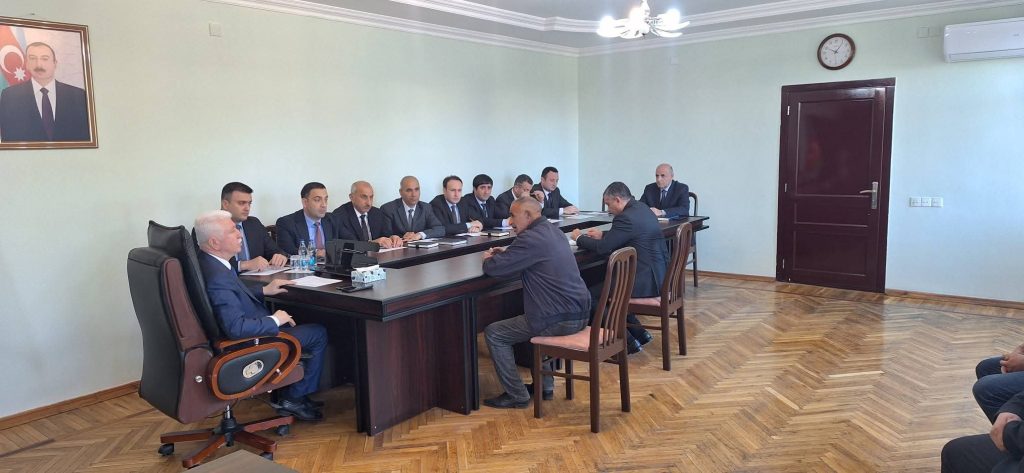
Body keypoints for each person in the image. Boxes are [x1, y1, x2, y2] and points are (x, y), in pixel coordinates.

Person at [194, 210, 327, 421]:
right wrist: (275, 320)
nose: (239, 234)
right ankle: (293, 397)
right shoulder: (217, 276)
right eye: (232, 231)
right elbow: (236, 328)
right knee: (318, 333)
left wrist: (264, 290)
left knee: (302, 324)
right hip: (249, 341)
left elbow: (233, 296)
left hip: (247, 330)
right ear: (214, 242)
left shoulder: (210, 263)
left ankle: (289, 390)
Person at [481, 197, 591, 408]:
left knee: (495, 333)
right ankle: (544, 386)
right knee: (529, 319)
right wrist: (509, 254)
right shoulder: (553, 231)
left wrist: (488, 258)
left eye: (513, 215)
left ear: (528, 216)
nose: (510, 221)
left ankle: (516, 395)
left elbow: (494, 269)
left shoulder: (530, 238)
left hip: (559, 319)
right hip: (580, 313)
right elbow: (531, 255)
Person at [571, 182, 664, 354]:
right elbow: (630, 234)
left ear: (618, 200)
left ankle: (627, 341)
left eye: (608, 204)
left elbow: (602, 248)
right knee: (608, 285)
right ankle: (640, 334)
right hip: (656, 275)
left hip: (642, 279)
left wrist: (578, 238)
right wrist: (604, 234)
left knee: (591, 296)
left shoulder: (625, 217)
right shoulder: (641, 208)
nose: (608, 210)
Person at [0, 42, 90, 142]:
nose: (39, 65)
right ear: (27, 64)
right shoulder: (10, 96)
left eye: (45, 59)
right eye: (33, 58)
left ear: (55, 63)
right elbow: (8, 138)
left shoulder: (78, 95)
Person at [219, 182, 288, 272]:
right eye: (241, 203)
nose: (247, 208)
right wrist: (243, 265)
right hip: (227, 279)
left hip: (257, 277)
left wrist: (280, 256)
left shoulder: (254, 224)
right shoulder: (211, 227)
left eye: (249, 203)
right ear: (225, 204)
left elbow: (275, 250)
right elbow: (208, 264)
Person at [332, 181, 403, 248]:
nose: (369, 203)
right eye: (364, 197)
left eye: (371, 197)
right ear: (352, 197)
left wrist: (392, 238)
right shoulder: (339, 216)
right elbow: (349, 244)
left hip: (379, 255)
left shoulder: (377, 213)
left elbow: (385, 234)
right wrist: (371, 244)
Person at [275, 182, 339, 255]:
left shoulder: (333, 220)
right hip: (305, 262)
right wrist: (314, 254)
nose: (324, 205)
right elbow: (287, 253)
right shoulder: (287, 223)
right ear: (305, 202)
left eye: (326, 199)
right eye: (317, 200)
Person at [379, 176, 445, 241]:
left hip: (419, 247)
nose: (414, 194)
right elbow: (385, 235)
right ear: (401, 192)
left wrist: (420, 234)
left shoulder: (426, 208)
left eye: (416, 189)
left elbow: (440, 229)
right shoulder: (388, 209)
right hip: (398, 246)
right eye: (409, 190)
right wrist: (398, 238)